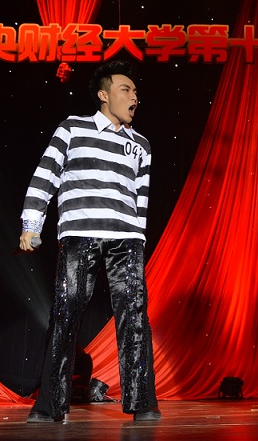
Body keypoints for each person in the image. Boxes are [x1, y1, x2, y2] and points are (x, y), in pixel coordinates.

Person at [18, 59, 160, 423]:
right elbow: (45, 176)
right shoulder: (73, 128)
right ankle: (50, 404)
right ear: (103, 95)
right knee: (67, 312)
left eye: (136, 91)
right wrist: (31, 224)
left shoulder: (141, 145)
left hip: (126, 238)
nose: (134, 97)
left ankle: (143, 402)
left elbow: (141, 198)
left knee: (135, 317)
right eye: (126, 90)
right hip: (80, 233)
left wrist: (139, 237)